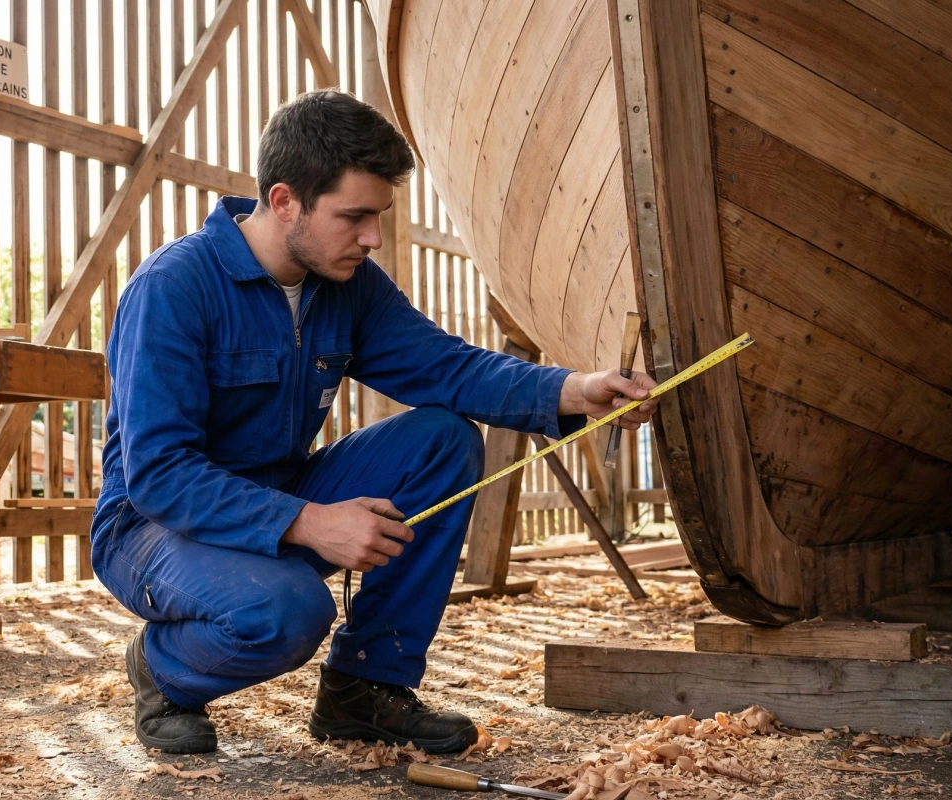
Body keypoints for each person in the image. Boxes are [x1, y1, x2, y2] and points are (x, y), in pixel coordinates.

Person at [90, 90, 658, 756]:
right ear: (283, 201)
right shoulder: (175, 287)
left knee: (442, 440)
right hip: (153, 527)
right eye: (354, 217)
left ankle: (365, 688)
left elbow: (450, 368)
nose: (373, 239)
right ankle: (162, 672)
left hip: (280, 491)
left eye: (378, 216)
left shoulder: (348, 284)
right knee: (290, 611)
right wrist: (309, 523)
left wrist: (575, 389)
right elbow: (160, 476)